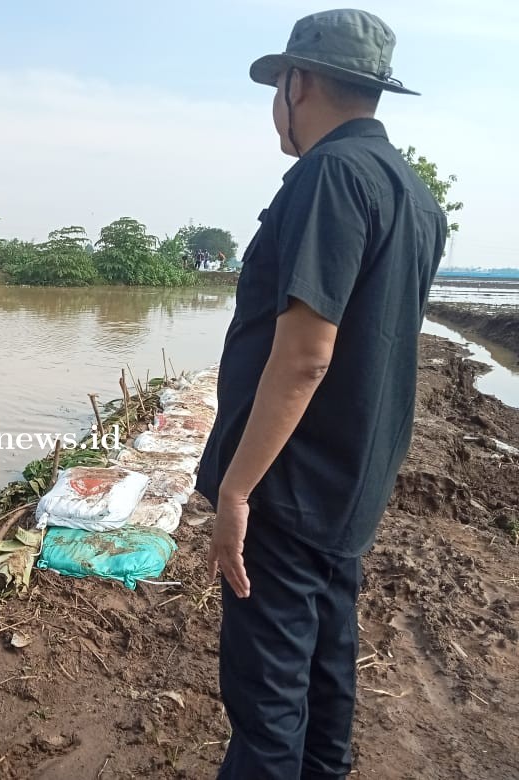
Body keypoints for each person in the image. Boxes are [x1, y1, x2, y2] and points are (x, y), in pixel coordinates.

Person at [196, 9, 446, 779]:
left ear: (297, 83)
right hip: (350, 485)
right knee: (326, 680)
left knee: (267, 704)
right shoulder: (415, 195)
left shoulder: (328, 177)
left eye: (279, 86)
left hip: (288, 487)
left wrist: (238, 490)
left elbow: (306, 355)